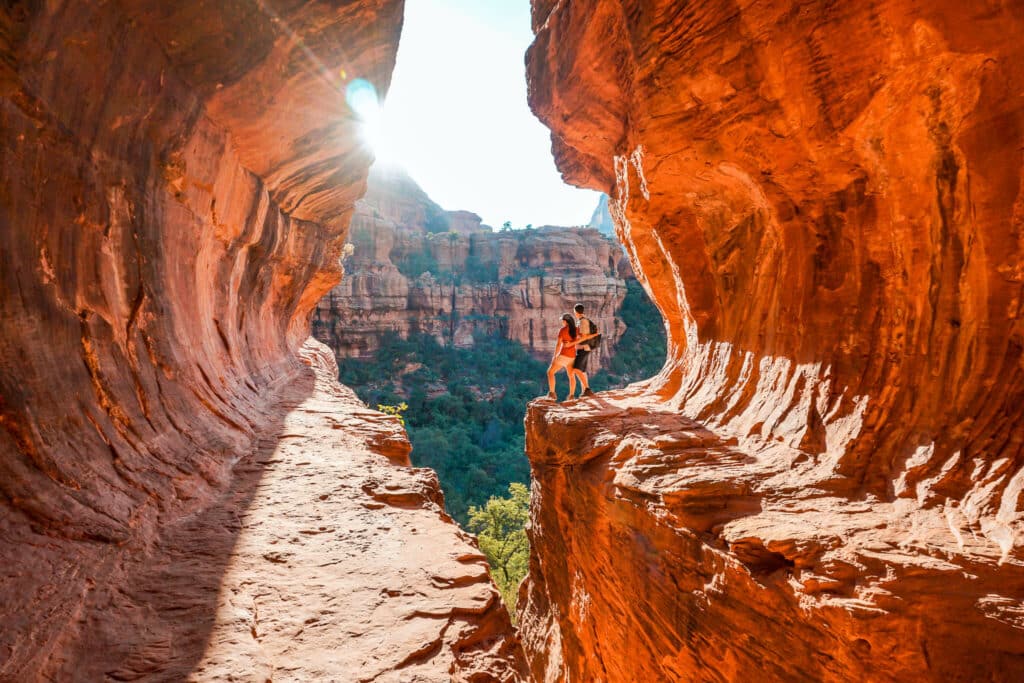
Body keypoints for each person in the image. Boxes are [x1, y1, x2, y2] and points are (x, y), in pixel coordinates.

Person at [546, 313, 599, 402]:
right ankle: (571, 396)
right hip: (572, 357)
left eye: (562, 320)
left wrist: (555, 356)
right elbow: (585, 337)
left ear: (566, 321)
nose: (562, 322)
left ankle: (552, 394)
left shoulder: (562, 330)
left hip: (563, 356)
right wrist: (594, 334)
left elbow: (559, 344)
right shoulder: (576, 330)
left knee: (550, 372)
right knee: (571, 376)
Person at [571, 303, 597, 398]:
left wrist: (578, 344)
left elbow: (584, 336)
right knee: (582, 370)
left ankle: (587, 389)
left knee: (576, 369)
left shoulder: (583, 321)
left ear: (576, 311)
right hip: (583, 348)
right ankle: (584, 391)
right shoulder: (580, 321)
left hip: (583, 348)